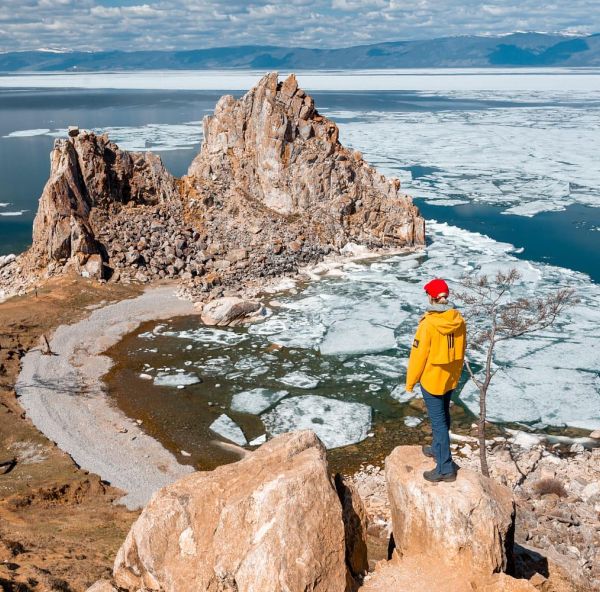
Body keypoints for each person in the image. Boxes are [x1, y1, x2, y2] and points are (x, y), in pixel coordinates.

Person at [405, 278, 466, 482]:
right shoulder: (458, 320)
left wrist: (410, 382)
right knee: (443, 419)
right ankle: (437, 449)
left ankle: (445, 468)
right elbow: (461, 351)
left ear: (431, 297)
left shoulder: (428, 324)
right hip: (449, 379)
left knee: (438, 423)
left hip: (432, 381)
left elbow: (418, 356)